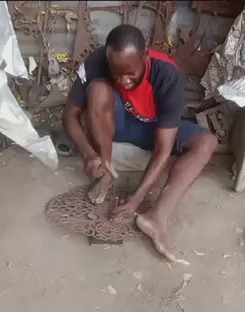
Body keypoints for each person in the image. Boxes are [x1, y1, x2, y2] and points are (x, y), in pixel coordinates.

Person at [63, 24, 217, 261]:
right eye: (117, 74)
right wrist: (87, 153)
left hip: (154, 130)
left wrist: (137, 197)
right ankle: (106, 171)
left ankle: (157, 217)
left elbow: (163, 147)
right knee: (98, 88)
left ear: (145, 56)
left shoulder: (168, 74)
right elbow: (69, 116)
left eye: (130, 74)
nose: (123, 81)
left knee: (206, 142)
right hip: (117, 124)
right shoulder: (96, 61)